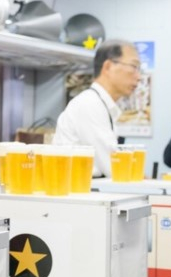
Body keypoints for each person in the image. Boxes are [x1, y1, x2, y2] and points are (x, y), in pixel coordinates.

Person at [52, 39, 143, 178]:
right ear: (107, 67)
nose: (139, 77)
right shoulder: (89, 104)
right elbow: (115, 168)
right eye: (133, 66)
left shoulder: (101, 105)